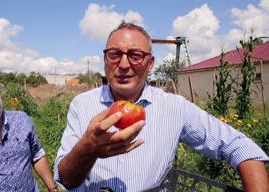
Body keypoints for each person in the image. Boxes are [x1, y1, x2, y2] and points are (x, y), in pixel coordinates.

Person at [54, 21, 269, 191]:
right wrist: (87, 149)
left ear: (151, 64)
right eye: (115, 54)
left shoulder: (173, 107)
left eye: (136, 55)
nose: (124, 65)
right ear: (105, 59)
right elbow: (66, 179)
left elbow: (241, 147)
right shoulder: (82, 104)